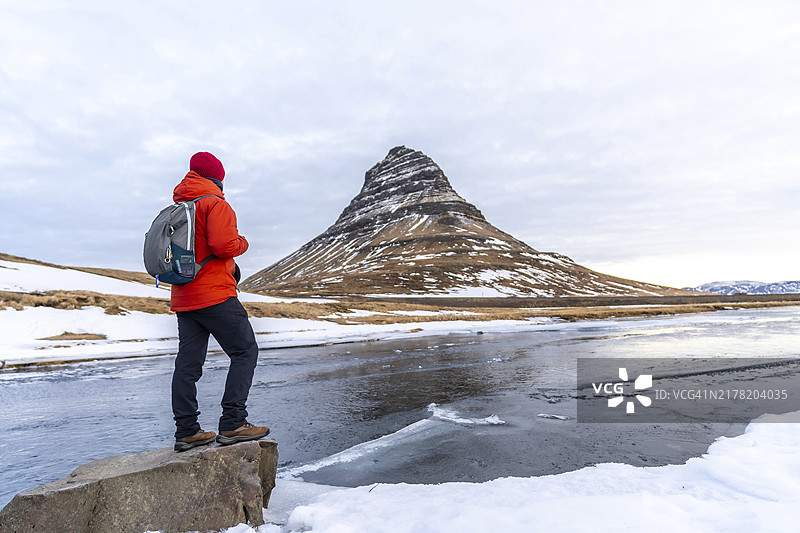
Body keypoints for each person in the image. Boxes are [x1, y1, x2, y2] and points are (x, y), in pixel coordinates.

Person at [170, 151, 269, 452]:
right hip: (215, 294)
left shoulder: (179, 208)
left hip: (185, 297)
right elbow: (224, 244)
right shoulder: (215, 204)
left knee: (188, 364)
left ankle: (187, 431)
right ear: (217, 178)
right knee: (245, 351)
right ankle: (233, 423)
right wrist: (244, 242)